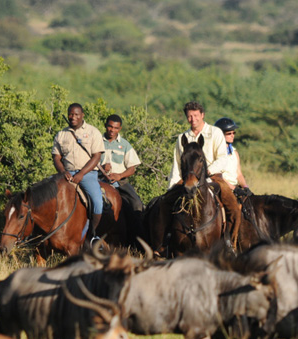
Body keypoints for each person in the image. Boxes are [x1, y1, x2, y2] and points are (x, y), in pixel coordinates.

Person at [164, 101, 242, 248]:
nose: (192, 119)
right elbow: (177, 165)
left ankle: (230, 242)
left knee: (232, 206)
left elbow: (222, 158)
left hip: (213, 178)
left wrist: (208, 172)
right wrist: (172, 187)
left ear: (202, 115)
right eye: (189, 116)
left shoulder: (215, 133)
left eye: (195, 115)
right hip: (187, 179)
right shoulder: (182, 138)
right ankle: (165, 242)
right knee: (165, 204)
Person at [52, 103, 105, 242]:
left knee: (97, 202)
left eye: (76, 114)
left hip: (87, 174)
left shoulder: (93, 132)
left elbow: (96, 157)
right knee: (47, 196)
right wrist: (63, 172)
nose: (73, 117)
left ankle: (92, 235)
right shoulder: (61, 134)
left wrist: (81, 174)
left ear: (82, 115)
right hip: (66, 174)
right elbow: (56, 157)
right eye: (70, 114)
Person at [100, 114, 145, 234]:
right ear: (106, 126)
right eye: (110, 127)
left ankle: (138, 237)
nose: (112, 130)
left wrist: (119, 176)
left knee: (137, 203)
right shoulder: (97, 142)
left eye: (115, 128)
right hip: (100, 180)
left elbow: (132, 168)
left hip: (121, 181)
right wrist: (102, 168)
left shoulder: (124, 145)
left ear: (119, 129)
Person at [214, 117, 249, 193]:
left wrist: (245, 187)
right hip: (222, 188)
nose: (232, 135)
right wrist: (233, 188)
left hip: (236, 188)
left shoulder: (234, 152)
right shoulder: (215, 152)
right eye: (229, 133)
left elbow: (239, 174)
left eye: (233, 133)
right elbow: (218, 177)